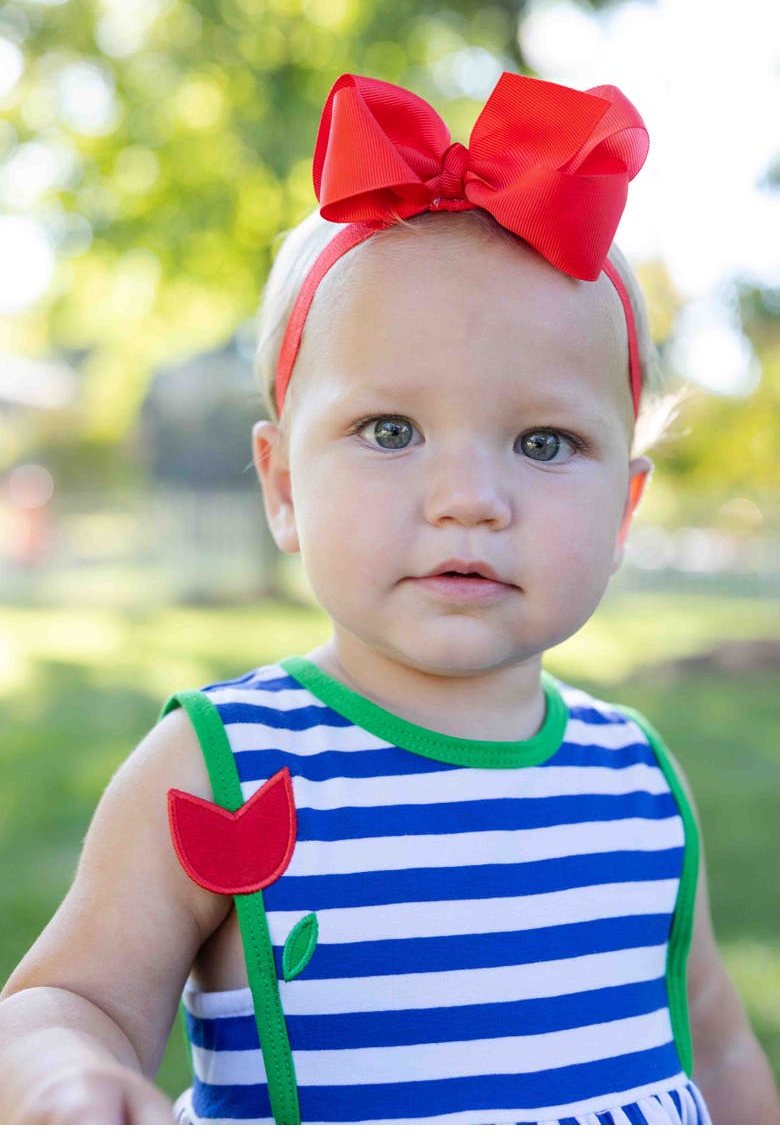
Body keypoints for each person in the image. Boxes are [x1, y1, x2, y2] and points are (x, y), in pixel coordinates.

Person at [0, 73, 777, 1127]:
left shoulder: (640, 781)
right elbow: (69, 995)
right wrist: (61, 1073)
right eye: (391, 431)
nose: (469, 499)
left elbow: (719, 1046)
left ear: (626, 506)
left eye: (546, 442)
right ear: (282, 486)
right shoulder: (219, 764)